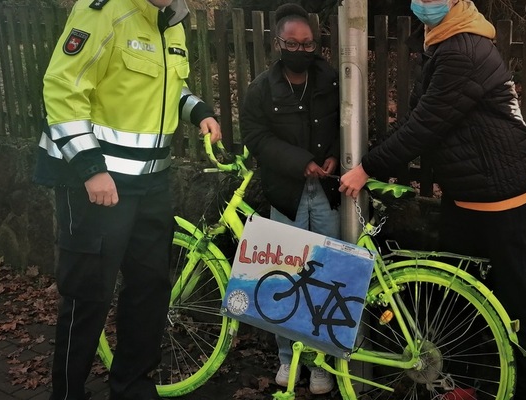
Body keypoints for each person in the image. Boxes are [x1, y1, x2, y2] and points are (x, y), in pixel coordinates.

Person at [338, 0, 526, 399]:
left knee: (511, 307)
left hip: (497, 198)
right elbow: (422, 116)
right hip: (467, 195)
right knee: (457, 302)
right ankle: (462, 387)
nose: (425, 3)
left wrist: (367, 168)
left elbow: (425, 124)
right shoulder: (442, 40)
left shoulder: (464, 49)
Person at [32, 0, 221, 399]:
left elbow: (167, 87)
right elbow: (63, 86)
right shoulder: (104, 10)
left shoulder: (173, 21)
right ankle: (67, 394)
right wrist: (90, 168)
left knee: (150, 288)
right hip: (97, 181)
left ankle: (132, 388)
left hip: (151, 183)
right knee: (88, 294)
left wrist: (198, 110)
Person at [239, 3, 340, 395]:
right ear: (277, 44)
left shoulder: (331, 79)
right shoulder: (261, 89)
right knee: (285, 277)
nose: (301, 50)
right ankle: (288, 357)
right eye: (293, 44)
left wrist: (334, 153)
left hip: (328, 194)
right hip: (287, 194)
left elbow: (346, 121)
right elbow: (256, 136)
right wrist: (301, 163)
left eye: (308, 43)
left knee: (327, 278)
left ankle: (319, 362)